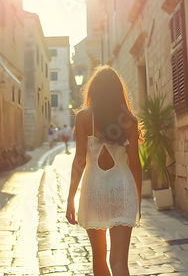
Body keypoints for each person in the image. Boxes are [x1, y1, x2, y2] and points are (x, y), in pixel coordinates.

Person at [66, 65, 143, 276]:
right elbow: (135, 164)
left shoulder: (83, 117)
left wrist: (71, 196)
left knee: (99, 257)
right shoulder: (129, 121)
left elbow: (79, 160)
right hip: (122, 188)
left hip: (94, 189)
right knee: (119, 261)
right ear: (119, 92)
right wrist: (138, 198)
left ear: (93, 91)